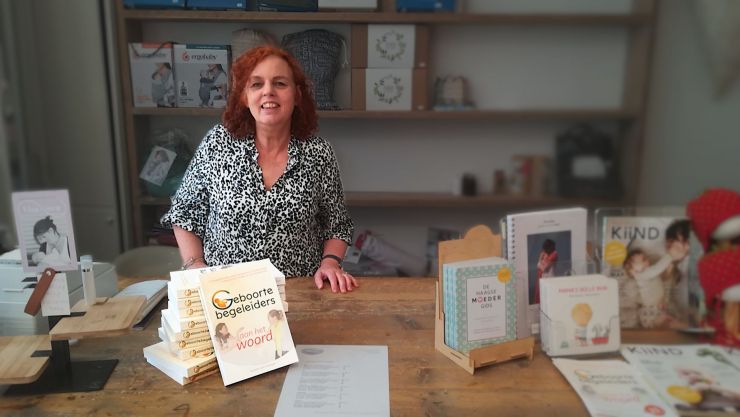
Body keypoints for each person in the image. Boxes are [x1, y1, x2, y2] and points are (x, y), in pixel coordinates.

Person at [161, 45, 357, 293]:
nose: (268, 91)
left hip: (299, 293)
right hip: (225, 295)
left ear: (297, 95)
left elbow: (337, 224)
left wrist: (330, 263)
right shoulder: (217, 144)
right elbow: (184, 212)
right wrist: (194, 264)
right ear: (244, 96)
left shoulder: (318, 152)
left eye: (280, 83)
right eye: (256, 84)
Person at [533, 238, 557, 303]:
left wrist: (540, 259)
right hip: (542, 277)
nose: (544, 250)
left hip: (549, 278)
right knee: (540, 296)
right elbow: (539, 266)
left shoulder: (554, 254)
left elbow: (544, 269)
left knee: (548, 298)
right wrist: (540, 260)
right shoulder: (545, 253)